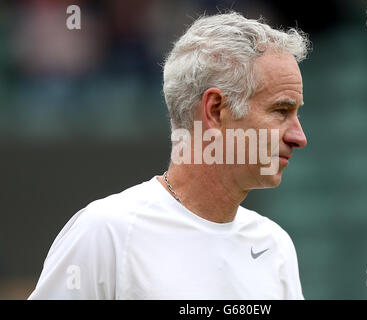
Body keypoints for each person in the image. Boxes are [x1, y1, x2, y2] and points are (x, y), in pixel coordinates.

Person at [28, 11, 311, 300]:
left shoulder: (275, 246)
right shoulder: (106, 233)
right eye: (281, 111)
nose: (298, 137)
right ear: (214, 110)